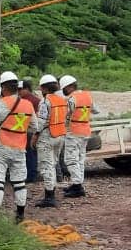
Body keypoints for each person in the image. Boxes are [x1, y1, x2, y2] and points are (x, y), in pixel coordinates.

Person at [0, 71, 34, 222]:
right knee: (19, 182)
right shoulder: (28, 104)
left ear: (3, 87)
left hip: (3, 146)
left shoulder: (2, 103)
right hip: (20, 148)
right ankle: (20, 214)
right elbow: (34, 125)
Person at [32, 75, 69, 208]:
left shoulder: (45, 101)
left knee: (46, 166)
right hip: (60, 135)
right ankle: (51, 192)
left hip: (47, 136)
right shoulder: (62, 100)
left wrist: (35, 135)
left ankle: (49, 196)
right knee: (53, 164)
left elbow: (41, 121)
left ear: (44, 88)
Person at [60, 74, 96, 198]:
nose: (63, 91)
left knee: (70, 159)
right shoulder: (87, 95)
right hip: (85, 130)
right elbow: (95, 110)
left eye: (63, 88)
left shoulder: (71, 99)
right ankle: (78, 183)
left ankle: (77, 186)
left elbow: (66, 115)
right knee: (80, 159)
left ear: (69, 87)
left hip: (74, 132)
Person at [19, 80, 41, 184]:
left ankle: (31, 175)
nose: (19, 91)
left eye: (20, 89)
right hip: (34, 130)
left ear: (27, 89)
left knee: (29, 154)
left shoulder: (28, 101)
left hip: (29, 131)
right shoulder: (37, 99)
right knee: (32, 154)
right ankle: (33, 173)